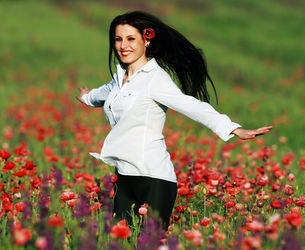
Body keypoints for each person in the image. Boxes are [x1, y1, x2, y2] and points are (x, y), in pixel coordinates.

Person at [75, 11, 272, 229]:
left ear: (147, 40)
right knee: (122, 243)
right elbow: (102, 95)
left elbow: (191, 105)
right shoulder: (119, 78)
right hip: (123, 176)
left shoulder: (155, 79)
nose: (123, 45)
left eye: (131, 39)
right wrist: (86, 97)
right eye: (118, 39)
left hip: (154, 179)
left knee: (150, 242)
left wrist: (233, 129)